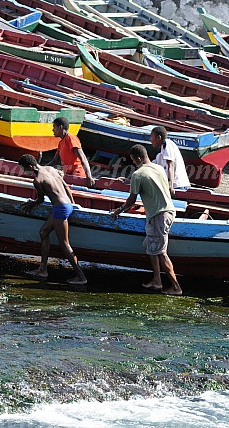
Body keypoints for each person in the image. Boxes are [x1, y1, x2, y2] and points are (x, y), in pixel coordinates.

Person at [110, 144, 182, 295]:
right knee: (152, 249)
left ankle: (176, 287)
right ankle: (157, 281)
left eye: (133, 160)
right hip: (164, 212)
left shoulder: (138, 174)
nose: (134, 163)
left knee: (161, 252)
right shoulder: (158, 168)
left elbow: (131, 200)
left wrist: (118, 211)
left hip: (159, 216)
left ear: (138, 158)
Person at [18, 154, 87, 285]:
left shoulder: (37, 180)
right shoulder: (50, 169)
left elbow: (40, 200)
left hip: (60, 209)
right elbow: (66, 187)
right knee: (43, 232)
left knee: (65, 244)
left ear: (31, 167)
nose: (24, 172)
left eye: (24, 169)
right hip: (66, 205)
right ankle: (43, 269)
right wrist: (73, 205)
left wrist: (30, 204)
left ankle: (81, 276)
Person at [45, 117, 95, 188]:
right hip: (68, 176)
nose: (53, 130)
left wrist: (89, 176)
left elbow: (82, 157)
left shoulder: (70, 138)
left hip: (77, 175)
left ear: (60, 127)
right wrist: (42, 169)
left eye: (54, 127)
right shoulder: (60, 143)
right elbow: (55, 161)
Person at [150, 126, 191, 196]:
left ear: (158, 138)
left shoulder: (167, 144)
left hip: (178, 186)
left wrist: (170, 186)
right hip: (175, 186)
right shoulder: (160, 155)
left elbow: (170, 165)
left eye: (151, 136)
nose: (150, 139)